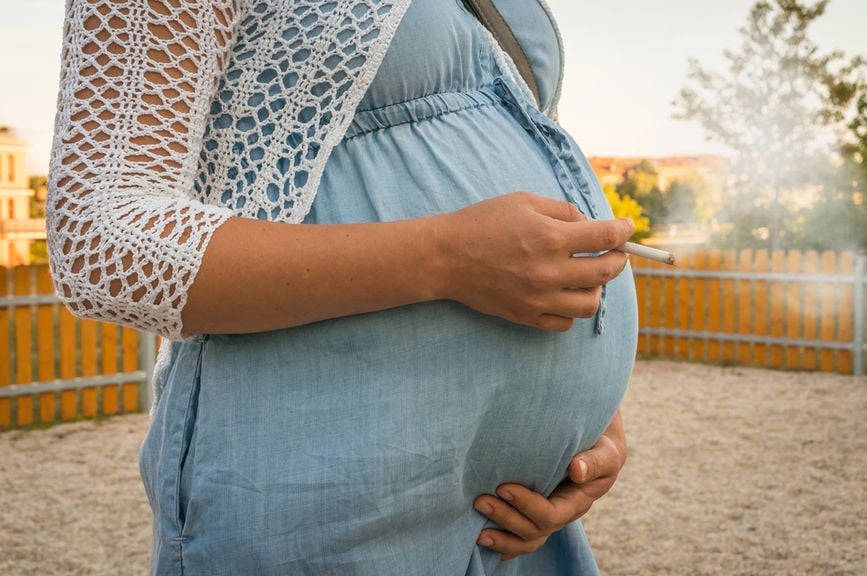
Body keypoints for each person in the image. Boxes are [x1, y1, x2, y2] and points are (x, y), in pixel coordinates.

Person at [46, 0, 638, 574]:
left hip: (520, 521)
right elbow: (101, 241)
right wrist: (446, 257)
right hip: (333, 508)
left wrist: (591, 427)